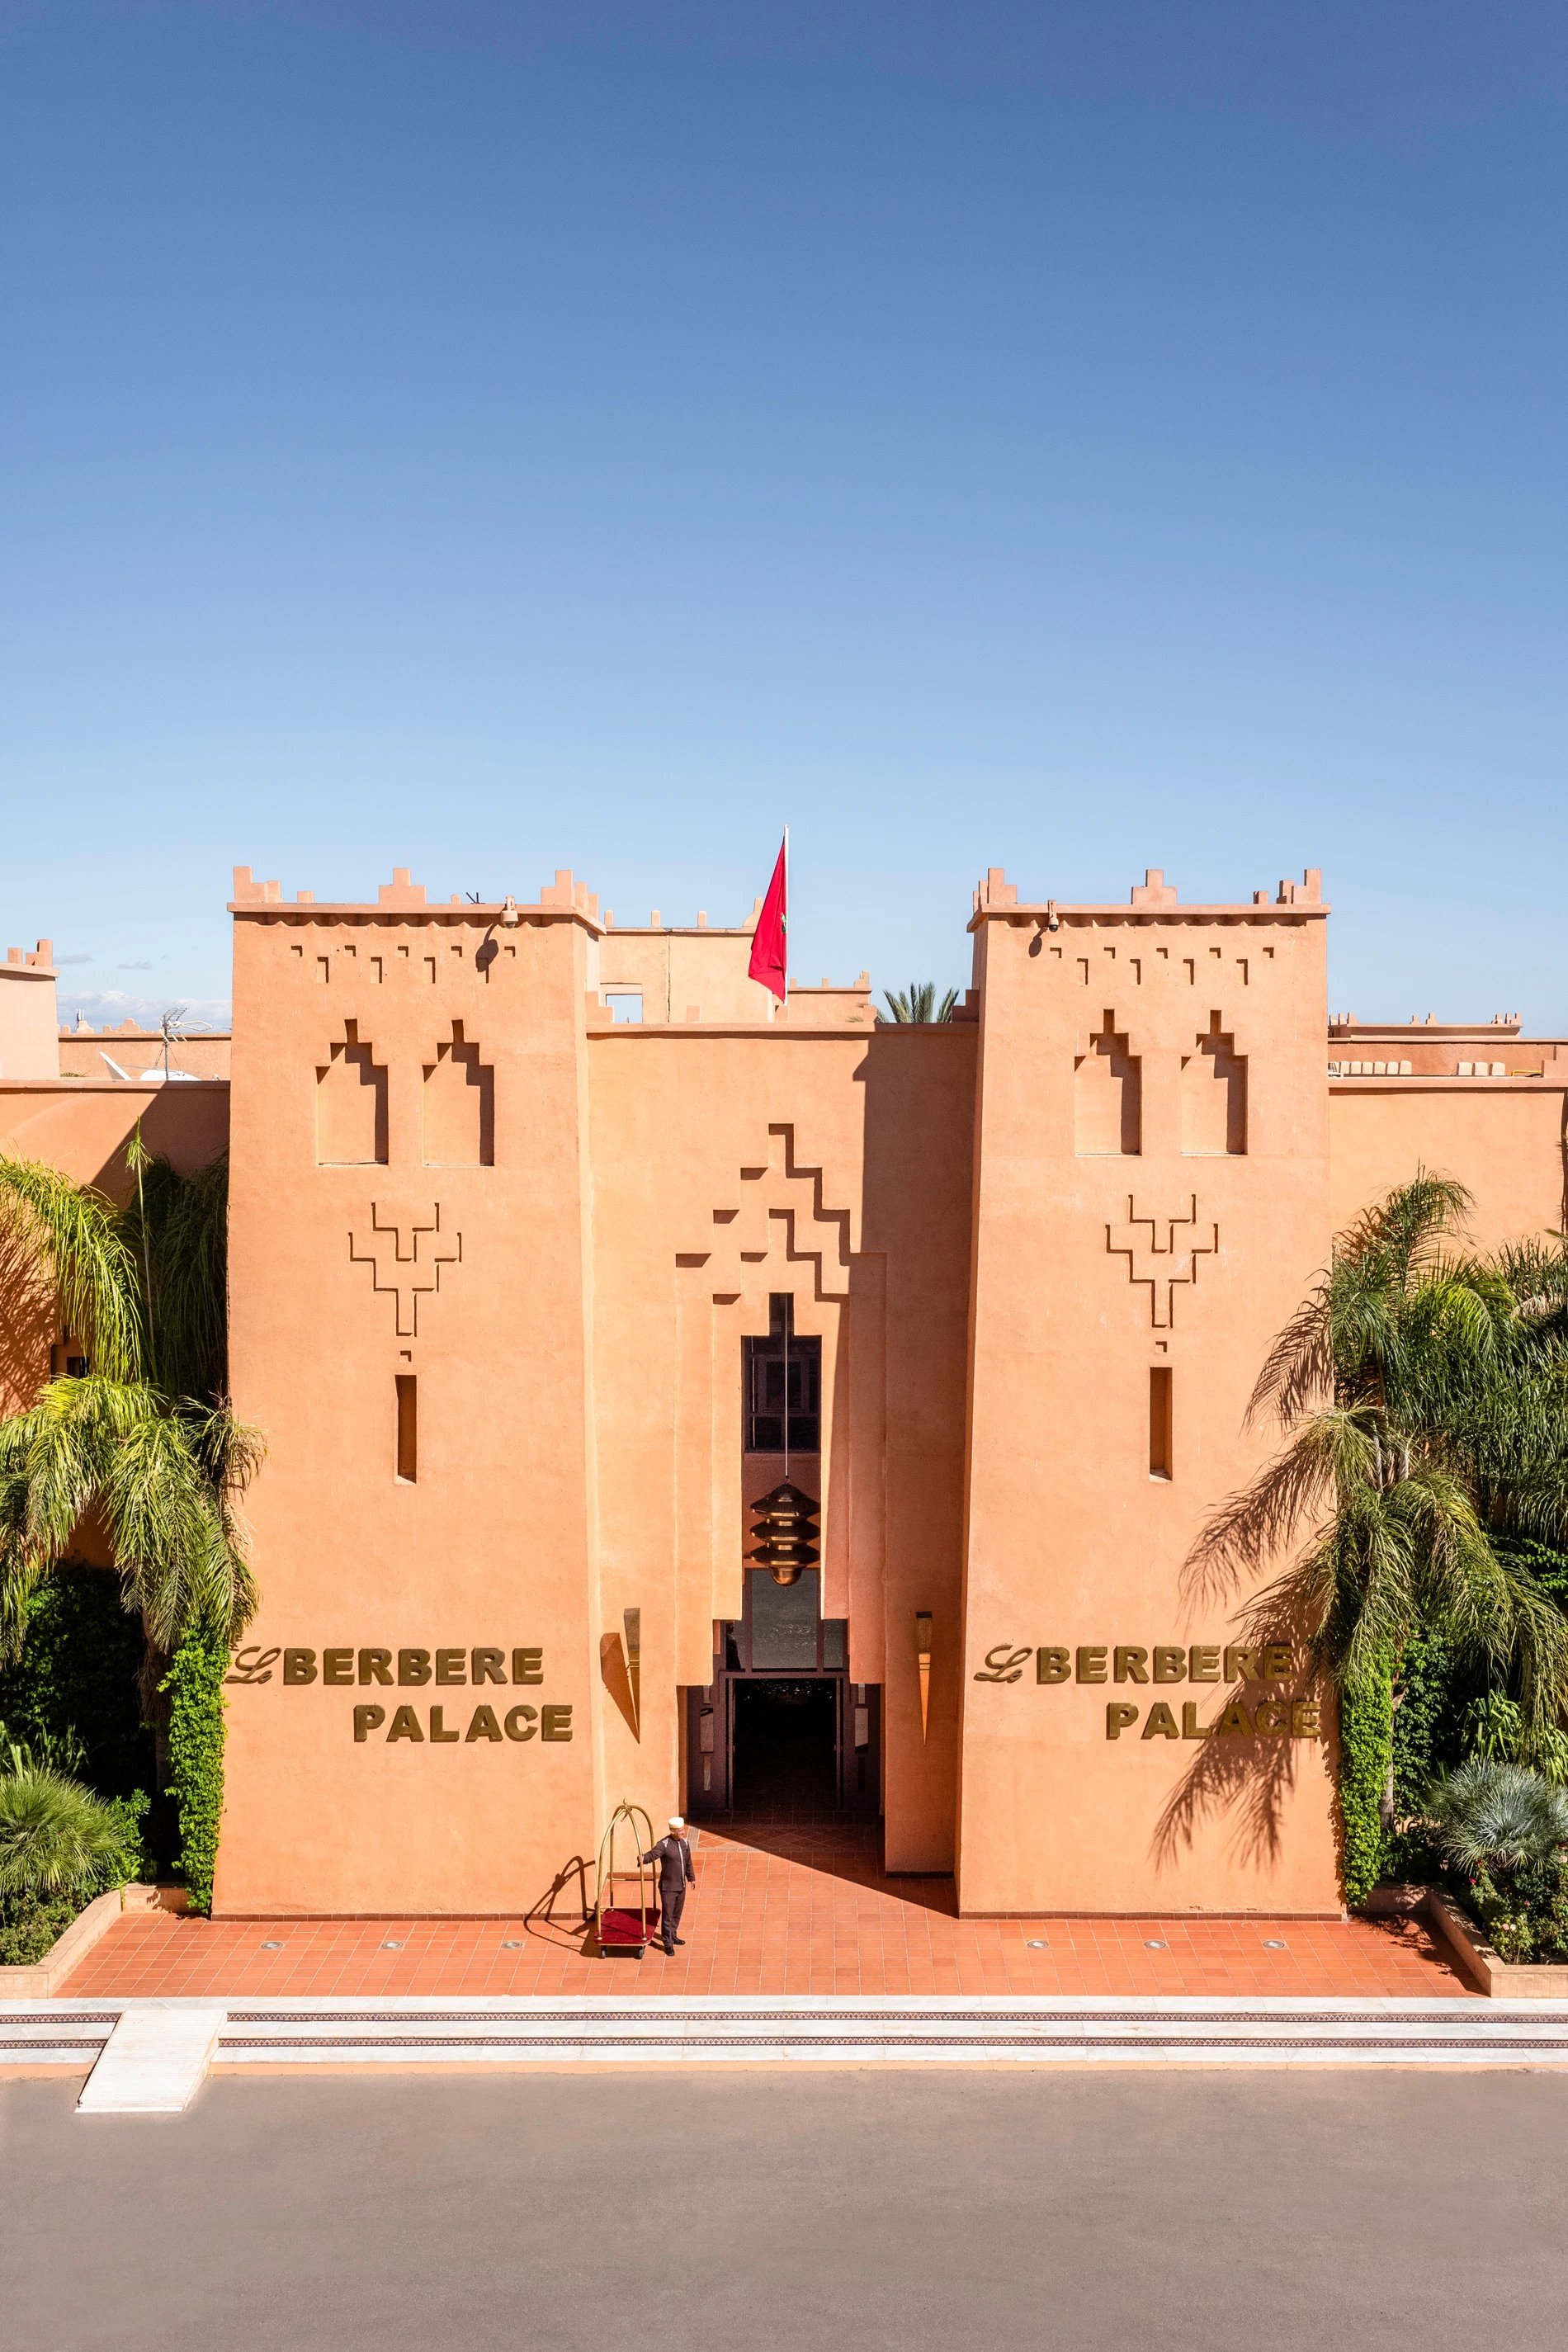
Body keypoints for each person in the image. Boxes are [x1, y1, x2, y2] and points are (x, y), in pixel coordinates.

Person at [640, 1816, 697, 1955]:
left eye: (683, 1830)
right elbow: (654, 1854)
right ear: (672, 1831)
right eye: (680, 1831)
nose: (683, 1832)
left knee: (677, 1914)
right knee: (668, 1916)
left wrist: (691, 1878)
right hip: (668, 1888)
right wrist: (644, 1859)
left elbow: (688, 1862)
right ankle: (668, 1943)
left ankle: (673, 1935)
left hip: (681, 1886)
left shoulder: (685, 1844)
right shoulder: (664, 1844)